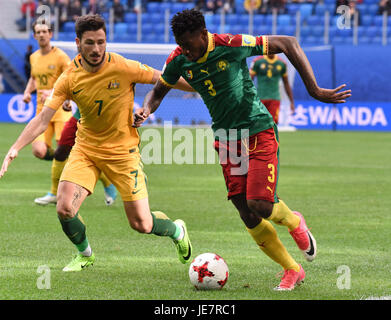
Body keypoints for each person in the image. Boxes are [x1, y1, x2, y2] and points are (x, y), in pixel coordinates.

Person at [134, 9, 351, 291]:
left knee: (259, 203)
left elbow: (288, 43)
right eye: (180, 45)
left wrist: (314, 90)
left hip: (257, 129)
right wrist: (146, 109)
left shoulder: (230, 44)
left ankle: (295, 221)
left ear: (204, 35)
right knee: (246, 212)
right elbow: (159, 90)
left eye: (189, 44)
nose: (185, 51)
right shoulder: (178, 59)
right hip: (227, 138)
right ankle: (292, 269)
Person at [0, 14, 194, 272]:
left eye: (101, 42)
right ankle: (85, 254)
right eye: (90, 43)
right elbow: (42, 119)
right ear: (78, 43)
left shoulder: (123, 66)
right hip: (86, 150)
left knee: (142, 225)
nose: (96, 49)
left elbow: (165, 78)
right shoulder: (69, 77)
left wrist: (200, 88)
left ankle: (176, 230)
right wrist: (14, 148)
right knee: (64, 208)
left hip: (123, 153)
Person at [23, 21, 73, 205]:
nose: (42, 34)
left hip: (60, 110)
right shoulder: (33, 57)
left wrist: (52, 93)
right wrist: (27, 91)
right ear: (35, 36)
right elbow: (33, 78)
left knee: (62, 149)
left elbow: (70, 79)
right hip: (41, 111)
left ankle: (55, 192)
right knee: (38, 150)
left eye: (45, 31)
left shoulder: (60, 56)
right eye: (38, 32)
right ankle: (67, 162)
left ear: (50, 34)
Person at [56, 104, 118, 206]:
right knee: (60, 153)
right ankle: (55, 192)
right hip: (78, 117)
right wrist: (67, 98)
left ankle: (108, 183)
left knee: (94, 155)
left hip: (98, 122)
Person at [250, 54, 294, 124]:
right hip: (260, 98)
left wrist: (291, 102)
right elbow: (249, 80)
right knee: (258, 124)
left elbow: (286, 84)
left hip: (274, 98)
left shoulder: (282, 63)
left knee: (272, 124)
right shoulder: (257, 61)